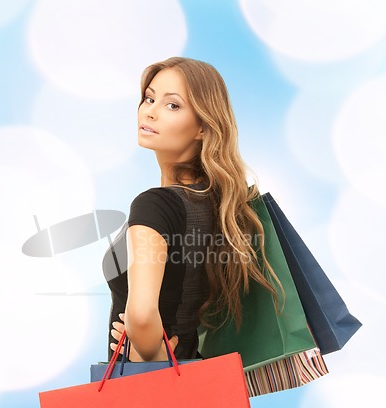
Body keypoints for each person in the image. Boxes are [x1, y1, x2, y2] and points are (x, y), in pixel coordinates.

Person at [103, 57, 279, 362]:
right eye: (149, 98)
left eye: (172, 105)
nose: (151, 112)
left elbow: (142, 316)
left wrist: (151, 352)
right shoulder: (219, 204)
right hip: (194, 382)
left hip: (146, 391)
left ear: (201, 126)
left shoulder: (155, 205)